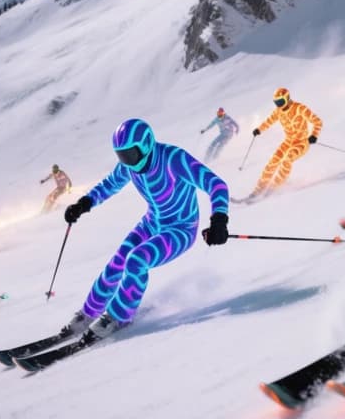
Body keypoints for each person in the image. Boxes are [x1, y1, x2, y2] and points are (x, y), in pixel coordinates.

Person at [60, 118, 230, 342]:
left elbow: (216, 185)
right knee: (117, 263)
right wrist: (83, 204)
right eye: (122, 156)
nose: (127, 161)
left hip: (180, 229)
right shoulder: (128, 167)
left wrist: (219, 220)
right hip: (152, 223)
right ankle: (87, 313)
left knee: (136, 260)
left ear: (147, 144)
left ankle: (119, 316)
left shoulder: (173, 159)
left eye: (131, 154)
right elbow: (109, 184)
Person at [245, 88, 323, 200]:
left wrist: (314, 135)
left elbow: (317, 121)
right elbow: (269, 121)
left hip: (301, 142)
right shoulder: (278, 111)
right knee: (273, 161)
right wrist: (259, 129)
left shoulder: (299, 108)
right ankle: (259, 189)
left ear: (287, 98)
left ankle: (274, 187)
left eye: (280, 102)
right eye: (276, 102)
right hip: (288, 142)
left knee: (287, 158)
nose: (279, 105)